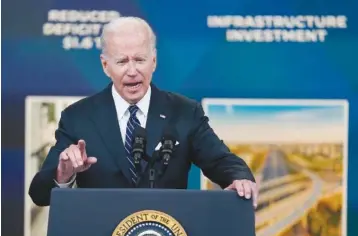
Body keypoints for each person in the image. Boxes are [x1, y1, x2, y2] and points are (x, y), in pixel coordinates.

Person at [28, 16, 258, 208]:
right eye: (122, 61)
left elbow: (223, 162)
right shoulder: (78, 117)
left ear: (154, 61)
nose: (132, 71)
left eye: (140, 59)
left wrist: (240, 179)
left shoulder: (184, 112)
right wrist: (64, 174)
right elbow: (39, 193)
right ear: (105, 65)